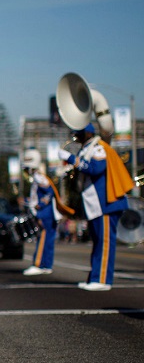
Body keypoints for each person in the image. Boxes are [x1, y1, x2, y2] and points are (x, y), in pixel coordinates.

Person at [58, 123, 133, 290]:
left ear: (87, 133)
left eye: (79, 133)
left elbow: (96, 168)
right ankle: (95, 277)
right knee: (98, 241)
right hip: (95, 205)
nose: (75, 135)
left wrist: (71, 159)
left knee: (105, 242)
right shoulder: (87, 149)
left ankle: (103, 280)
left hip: (106, 203)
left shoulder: (98, 148)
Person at [20, 148, 74, 276]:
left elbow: (49, 193)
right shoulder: (39, 177)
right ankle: (47, 265)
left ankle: (39, 264)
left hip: (45, 214)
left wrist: (40, 208)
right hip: (48, 214)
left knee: (43, 239)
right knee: (48, 241)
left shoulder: (39, 177)